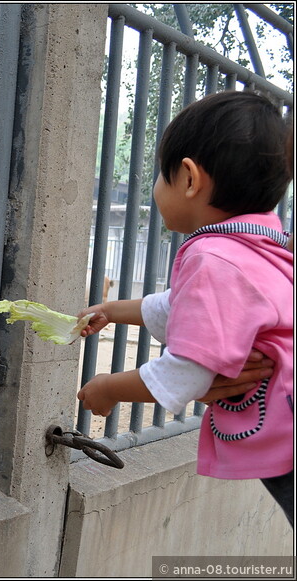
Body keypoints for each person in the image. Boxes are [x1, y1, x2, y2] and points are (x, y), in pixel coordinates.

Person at [76, 90, 293, 526]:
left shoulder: (210, 256)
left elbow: (189, 368)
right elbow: (187, 310)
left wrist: (109, 388)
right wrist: (115, 310)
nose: (157, 186)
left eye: (161, 174)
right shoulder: (264, 247)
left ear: (190, 179)